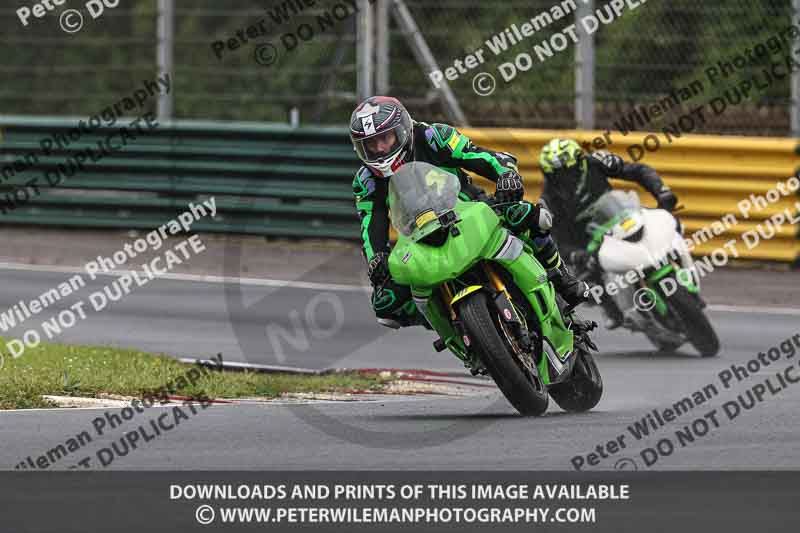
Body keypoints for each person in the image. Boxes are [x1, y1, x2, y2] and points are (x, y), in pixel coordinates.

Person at [349, 96, 589, 329]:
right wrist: (376, 259)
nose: (380, 149)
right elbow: (371, 222)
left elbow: (479, 155)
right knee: (385, 302)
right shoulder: (366, 180)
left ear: (401, 130)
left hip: (470, 208)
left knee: (526, 215)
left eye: (385, 138)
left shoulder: (434, 137)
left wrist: (506, 175)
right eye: (371, 144)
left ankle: (561, 277)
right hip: (417, 235)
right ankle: (448, 324)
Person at [538, 138, 679, 329]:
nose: (564, 178)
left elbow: (639, 171)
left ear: (579, 163)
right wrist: (575, 254)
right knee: (584, 279)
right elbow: (554, 239)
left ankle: (680, 266)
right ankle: (613, 309)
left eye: (568, 171)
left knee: (663, 222)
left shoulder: (595, 163)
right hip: (587, 243)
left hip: (618, 218)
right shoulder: (549, 199)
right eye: (557, 175)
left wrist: (661, 191)